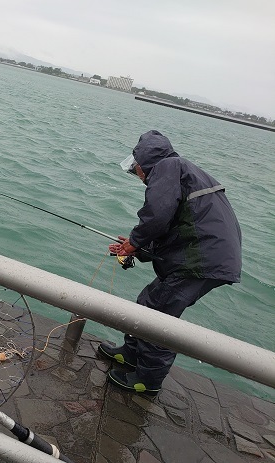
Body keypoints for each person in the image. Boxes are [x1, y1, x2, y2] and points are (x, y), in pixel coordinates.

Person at [98, 130, 242, 396]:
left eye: (136, 170)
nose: (137, 176)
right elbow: (174, 227)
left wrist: (134, 241)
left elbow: (157, 216)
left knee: (160, 316)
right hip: (204, 255)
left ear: (143, 162)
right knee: (149, 302)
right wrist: (136, 247)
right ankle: (131, 355)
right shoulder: (182, 171)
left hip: (202, 259)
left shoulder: (166, 167)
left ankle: (148, 381)